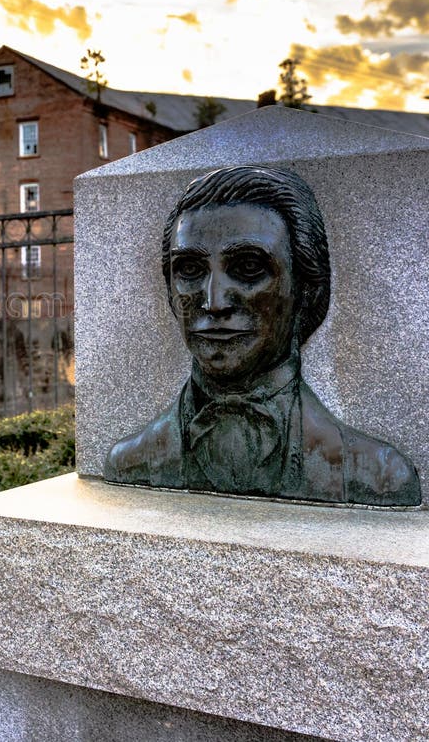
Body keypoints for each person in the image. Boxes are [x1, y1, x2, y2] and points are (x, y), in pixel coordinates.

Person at [104, 165, 421, 507]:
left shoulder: (378, 475)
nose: (213, 302)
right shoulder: (130, 461)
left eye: (249, 267)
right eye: (191, 270)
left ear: (307, 290)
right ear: (170, 293)